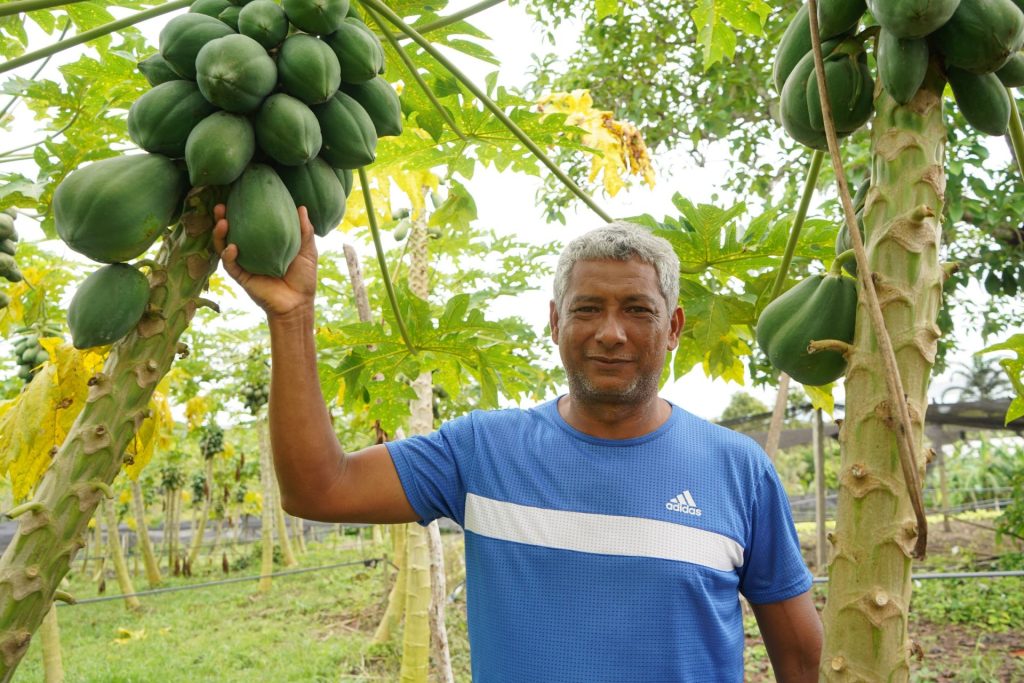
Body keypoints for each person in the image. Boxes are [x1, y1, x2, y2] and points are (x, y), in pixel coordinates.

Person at [213, 205, 823, 682]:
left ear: (674, 328)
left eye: (638, 309)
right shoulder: (481, 450)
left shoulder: (738, 468)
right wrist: (291, 317)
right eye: (588, 309)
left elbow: (800, 658)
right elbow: (317, 488)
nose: (611, 333)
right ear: (555, 322)